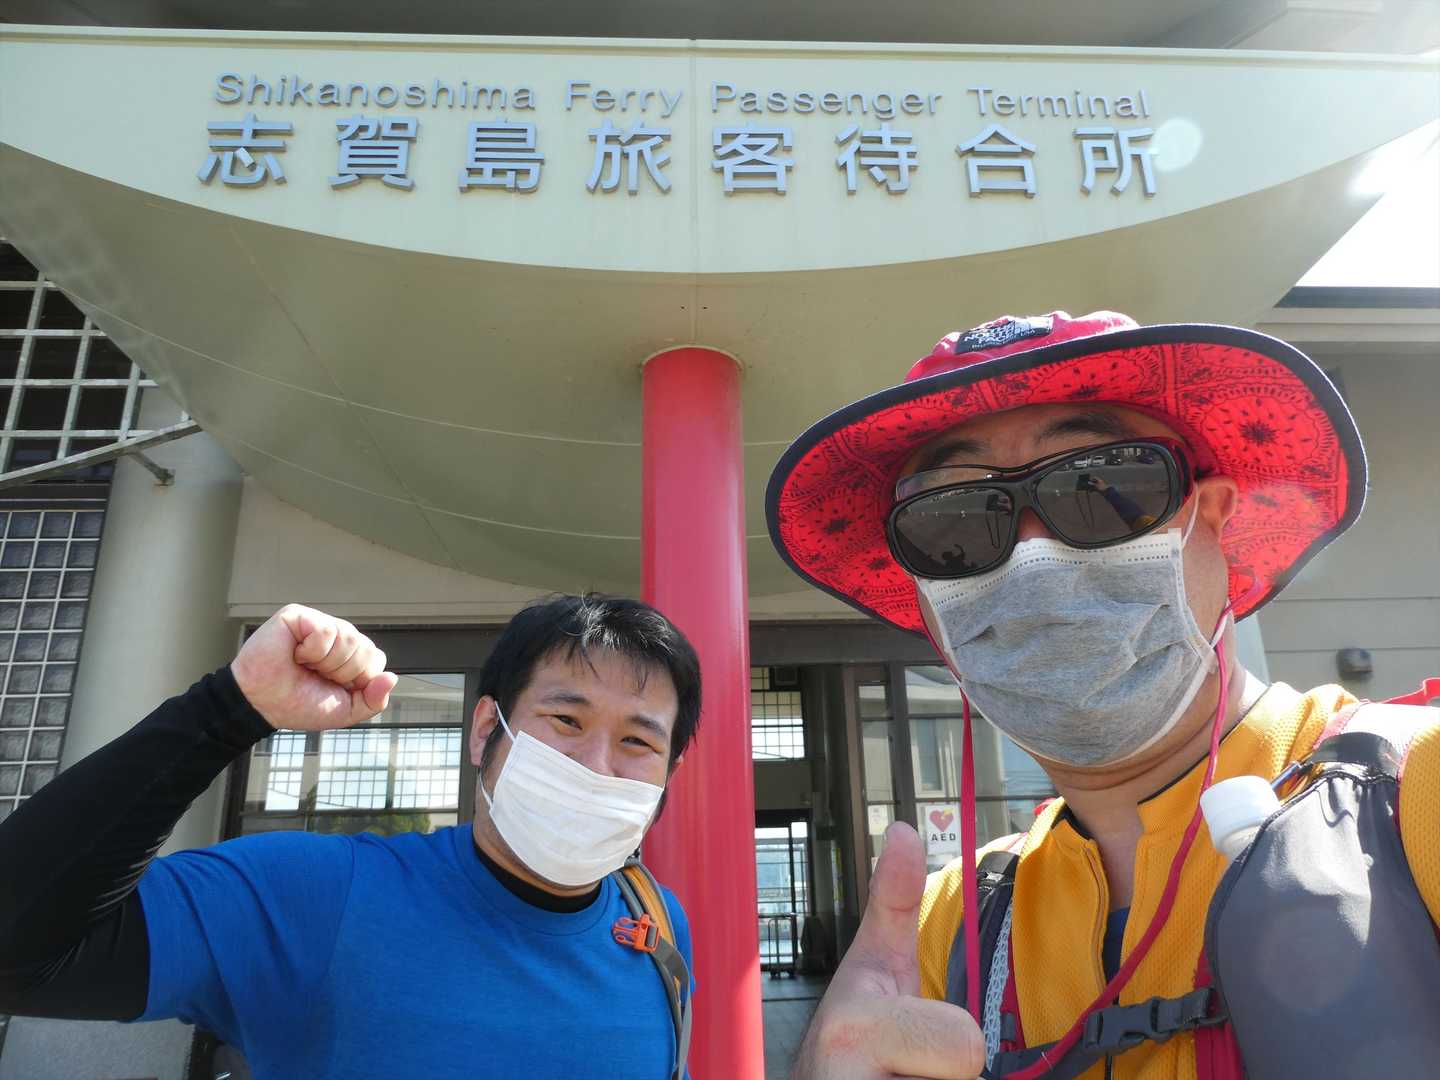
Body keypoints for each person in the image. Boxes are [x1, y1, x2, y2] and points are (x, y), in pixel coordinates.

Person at [767, 311, 1440, 1079]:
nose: (1032, 555)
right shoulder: (946, 923)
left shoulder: (1414, 792)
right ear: (926, 597)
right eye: (954, 520)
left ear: (1211, 514)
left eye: (1106, 485)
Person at [0, 593, 700, 1080]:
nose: (596, 766)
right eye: (567, 721)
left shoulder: (657, 923)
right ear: (487, 730)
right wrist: (228, 708)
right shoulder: (318, 894)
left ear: (668, 775)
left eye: (638, 741)